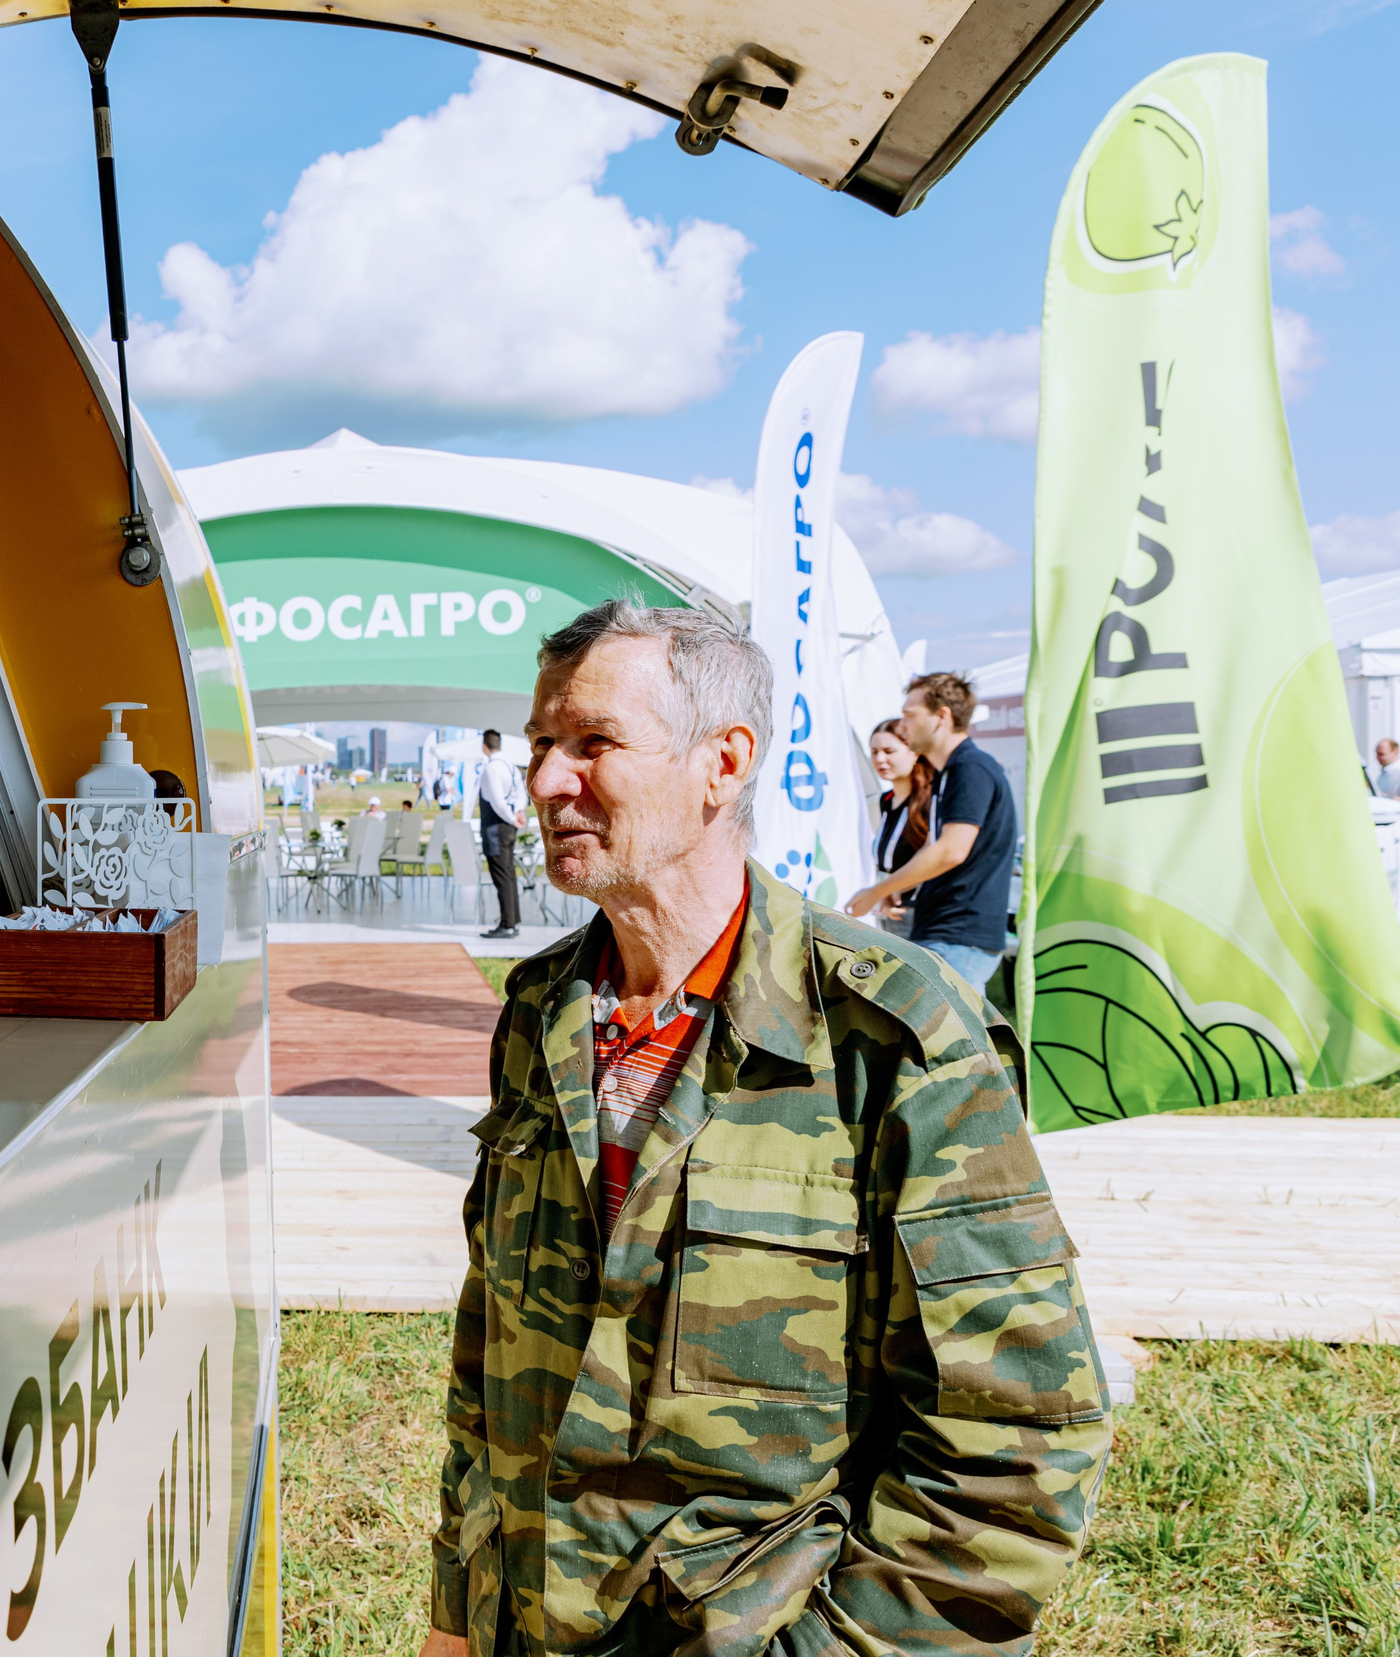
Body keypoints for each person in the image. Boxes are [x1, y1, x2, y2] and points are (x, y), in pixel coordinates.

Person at [425, 599, 1106, 1657]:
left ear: (723, 762)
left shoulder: (892, 1033)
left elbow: (1010, 1440)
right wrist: (455, 1614)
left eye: (593, 742)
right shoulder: (541, 1013)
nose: (548, 779)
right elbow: (489, 1356)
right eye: (541, 744)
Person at [843, 672, 1016, 996]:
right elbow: (937, 846)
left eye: (910, 715)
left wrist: (877, 890)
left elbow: (951, 850)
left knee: (950, 1044)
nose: (904, 725)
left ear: (942, 717)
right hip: (942, 929)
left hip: (959, 934)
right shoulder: (951, 772)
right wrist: (900, 885)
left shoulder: (970, 768)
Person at [865, 718, 934, 932]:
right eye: (874, 751)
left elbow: (934, 858)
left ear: (914, 752)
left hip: (921, 915)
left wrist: (887, 890)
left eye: (889, 751)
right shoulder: (886, 801)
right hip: (889, 912)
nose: (880, 759)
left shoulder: (931, 800)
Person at [474, 730, 526, 939]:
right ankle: (513, 921)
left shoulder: (491, 768)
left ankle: (507, 924)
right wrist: (519, 812)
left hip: (496, 828)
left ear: (484, 746)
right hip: (508, 826)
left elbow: (496, 801)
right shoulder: (511, 766)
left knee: (502, 876)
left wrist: (512, 818)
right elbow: (521, 793)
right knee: (509, 874)